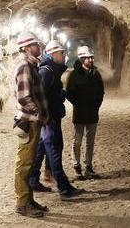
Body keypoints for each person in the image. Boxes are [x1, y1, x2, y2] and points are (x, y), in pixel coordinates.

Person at [28, 41, 83, 199]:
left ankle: (32, 179)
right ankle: (63, 187)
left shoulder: (52, 70)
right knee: (54, 149)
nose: (64, 55)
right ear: (52, 55)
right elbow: (40, 95)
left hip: (50, 116)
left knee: (42, 148)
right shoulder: (47, 72)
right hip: (49, 118)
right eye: (61, 53)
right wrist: (58, 97)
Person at [12, 31, 49, 218]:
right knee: (24, 164)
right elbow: (23, 97)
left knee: (29, 161)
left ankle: (29, 200)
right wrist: (38, 111)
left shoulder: (32, 65)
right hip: (28, 121)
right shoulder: (25, 66)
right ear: (27, 48)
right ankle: (22, 203)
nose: (39, 47)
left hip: (33, 121)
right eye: (35, 44)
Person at [66, 45, 105, 179]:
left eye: (92, 57)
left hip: (93, 113)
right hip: (80, 113)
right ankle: (77, 166)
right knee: (77, 141)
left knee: (90, 141)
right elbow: (69, 93)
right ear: (82, 59)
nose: (91, 60)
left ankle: (88, 166)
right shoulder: (74, 74)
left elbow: (101, 92)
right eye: (88, 58)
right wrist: (78, 103)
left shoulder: (96, 74)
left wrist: (96, 105)